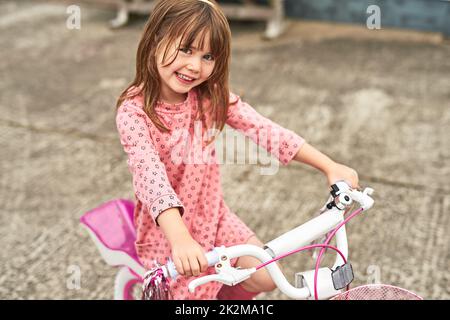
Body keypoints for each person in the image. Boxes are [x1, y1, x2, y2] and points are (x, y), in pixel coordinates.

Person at [115, 0, 360, 300]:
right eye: (186, 50)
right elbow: (150, 178)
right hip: (167, 233)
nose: (195, 66)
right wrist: (180, 239)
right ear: (155, 40)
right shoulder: (134, 113)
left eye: (208, 56)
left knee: (264, 274)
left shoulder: (207, 96)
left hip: (214, 217)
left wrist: (328, 165)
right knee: (186, 296)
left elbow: (264, 130)